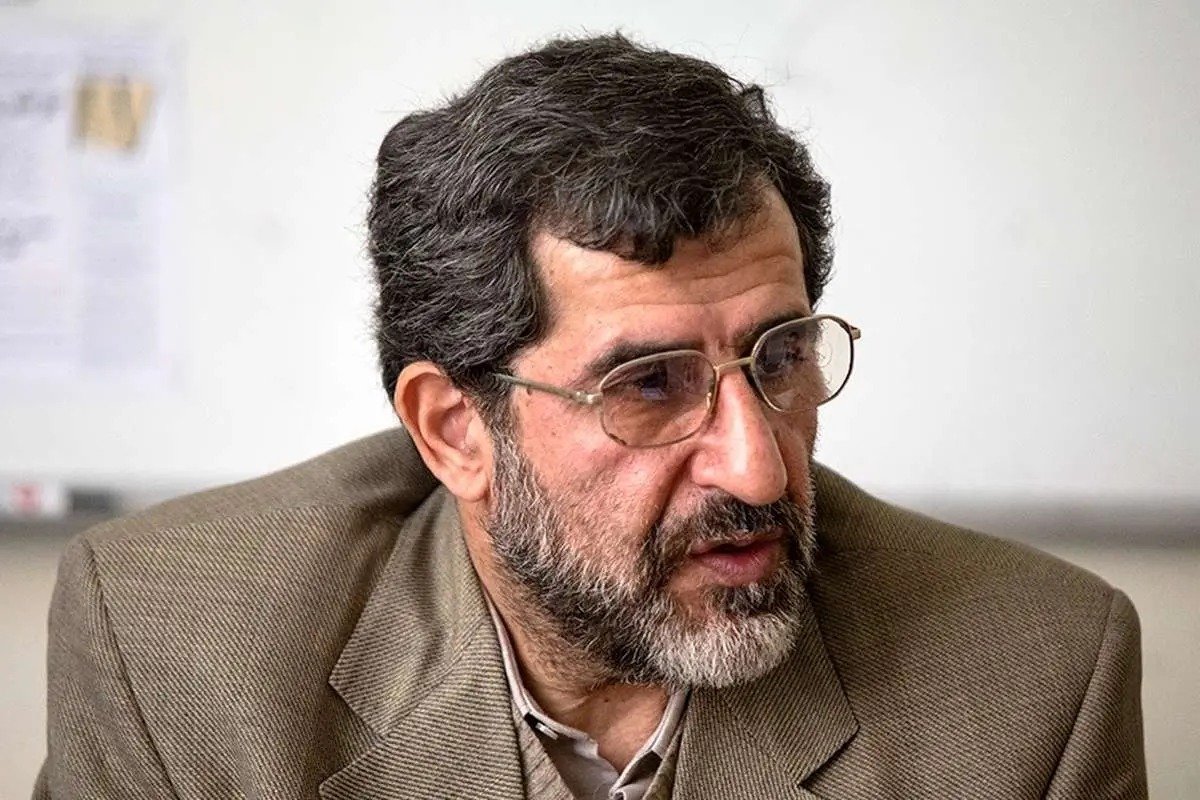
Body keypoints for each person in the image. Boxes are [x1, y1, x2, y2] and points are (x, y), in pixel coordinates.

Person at [35, 34, 1146, 800]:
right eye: (651, 383)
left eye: (781, 356)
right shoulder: (174, 648)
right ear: (455, 429)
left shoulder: (1033, 684)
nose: (758, 469)